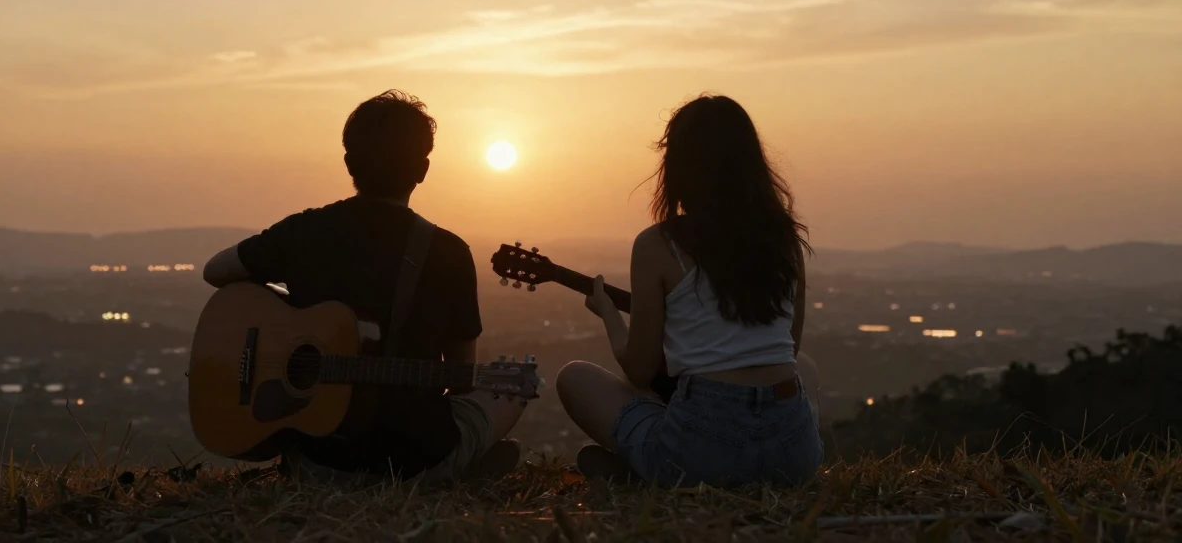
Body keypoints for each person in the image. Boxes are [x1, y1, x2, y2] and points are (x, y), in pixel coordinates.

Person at [202, 90, 524, 482]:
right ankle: (460, 469)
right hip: (416, 464)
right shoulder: (449, 252)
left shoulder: (303, 230)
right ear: (422, 170)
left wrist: (286, 317)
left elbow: (216, 271)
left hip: (317, 464)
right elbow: (460, 380)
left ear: (349, 162)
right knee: (514, 387)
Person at [556, 94, 823, 488]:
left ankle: (650, 474)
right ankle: (655, 473)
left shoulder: (657, 244)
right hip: (794, 458)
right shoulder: (785, 240)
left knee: (573, 378)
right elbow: (790, 347)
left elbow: (640, 371)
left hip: (704, 452)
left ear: (679, 167)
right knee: (806, 369)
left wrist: (609, 314)